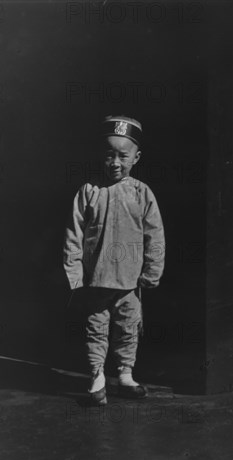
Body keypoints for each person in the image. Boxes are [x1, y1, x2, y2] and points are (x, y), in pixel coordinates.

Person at [63, 115, 165, 404]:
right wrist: (75, 274)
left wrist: (151, 271)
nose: (115, 162)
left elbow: (154, 236)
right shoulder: (88, 191)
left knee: (128, 326)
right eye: (110, 155)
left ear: (137, 157)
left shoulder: (141, 193)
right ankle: (96, 375)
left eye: (123, 155)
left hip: (130, 281)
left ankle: (124, 373)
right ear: (101, 156)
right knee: (96, 327)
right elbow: (74, 234)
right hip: (97, 279)